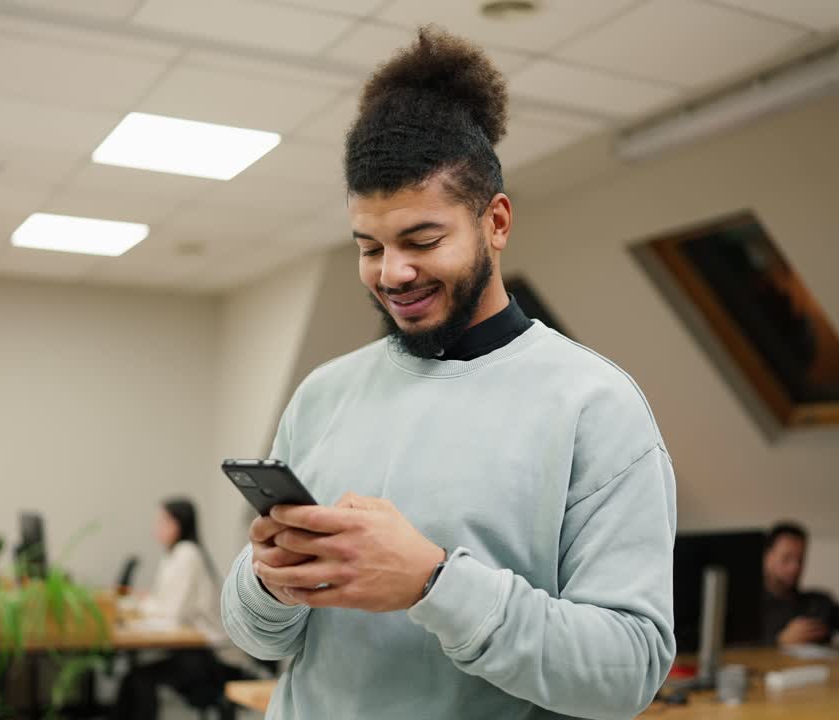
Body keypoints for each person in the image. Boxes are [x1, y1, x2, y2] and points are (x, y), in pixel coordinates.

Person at [220, 28, 676, 720]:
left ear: (495, 221)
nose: (392, 273)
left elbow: (626, 673)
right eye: (369, 247)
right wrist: (268, 583)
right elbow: (257, 636)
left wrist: (433, 585)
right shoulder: (323, 394)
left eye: (422, 241)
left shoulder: (594, 405)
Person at [111, 498, 245, 719]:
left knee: (138, 680)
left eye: (163, 522)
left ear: (178, 524)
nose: (157, 528)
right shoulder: (173, 554)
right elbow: (162, 601)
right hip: (191, 650)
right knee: (133, 679)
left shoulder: (187, 553)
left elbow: (171, 612)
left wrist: (141, 605)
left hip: (211, 656)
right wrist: (146, 602)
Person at [761, 521, 839, 647]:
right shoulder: (743, 607)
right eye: (787, 558)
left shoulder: (820, 603)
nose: (795, 567)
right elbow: (733, 649)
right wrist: (779, 641)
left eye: (800, 559)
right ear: (767, 558)